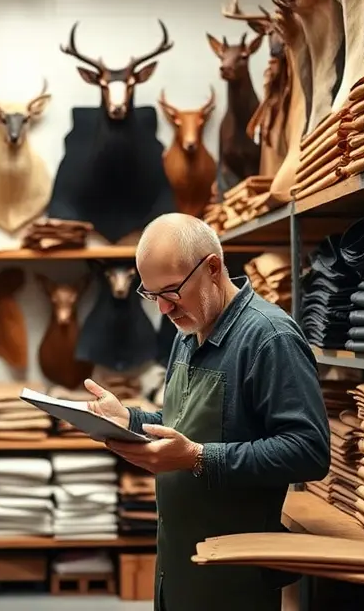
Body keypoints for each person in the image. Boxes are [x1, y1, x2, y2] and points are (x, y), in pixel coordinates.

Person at [80, 213, 330, 611]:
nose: (163, 309)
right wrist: (128, 419)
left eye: (172, 291)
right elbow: (184, 426)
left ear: (212, 267)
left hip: (234, 580)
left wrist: (198, 458)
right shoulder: (189, 331)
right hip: (179, 568)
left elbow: (309, 451)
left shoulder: (270, 338)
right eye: (152, 295)